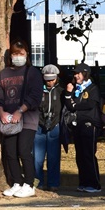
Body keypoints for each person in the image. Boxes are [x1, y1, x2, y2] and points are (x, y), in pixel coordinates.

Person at [0, 40, 42, 198]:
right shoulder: (3, 74)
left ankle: (29, 184)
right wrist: (1, 112)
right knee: (10, 152)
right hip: (9, 120)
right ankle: (17, 182)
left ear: (27, 54)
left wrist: (20, 111)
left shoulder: (32, 72)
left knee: (24, 151)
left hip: (28, 118)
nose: (18, 56)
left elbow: (35, 96)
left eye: (21, 53)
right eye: (15, 53)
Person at [66, 63, 104, 192]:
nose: (76, 76)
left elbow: (89, 104)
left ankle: (94, 184)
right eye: (75, 73)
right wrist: (68, 93)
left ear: (85, 74)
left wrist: (75, 105)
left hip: (90, 124)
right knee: (80, 155)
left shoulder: (93, 88)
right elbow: (69, 105)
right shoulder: (75, 89)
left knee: (89, 154)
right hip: (77, 124)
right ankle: (83, 182)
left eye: (79, 73)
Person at [34, 64, 64, 192]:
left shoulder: (61, 91)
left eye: (52, 79)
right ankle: (38, 182)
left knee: (54, 158)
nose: (49, 82)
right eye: (47, 79)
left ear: (56, 78)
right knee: (37, 158)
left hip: (54, 126)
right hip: (39, 126)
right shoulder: (37, 90)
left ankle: (53, 183)